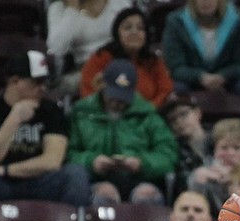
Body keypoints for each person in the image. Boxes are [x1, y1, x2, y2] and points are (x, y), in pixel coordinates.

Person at [0, 51, 92, 208]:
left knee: (76, 173)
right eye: (36, 82)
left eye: (44, 82)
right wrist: (13, 120)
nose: (42, 88)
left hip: (40, 182)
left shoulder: (51, 109)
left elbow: (52, 161)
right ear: (15, 81)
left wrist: (6, 170)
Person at [67, 59, 179, 205]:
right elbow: (68, 153)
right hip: (94, 179)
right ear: (103, 85)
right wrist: (92, 161)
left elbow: (168, 155)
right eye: (112, 96)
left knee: (147, 195)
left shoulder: (147, 115)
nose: (117, 102)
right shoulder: (81, 113)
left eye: (123, 97)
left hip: (140, 179)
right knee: (105, 194)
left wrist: (141, 163)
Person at [80, 6, 174, 107]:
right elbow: (88, 93)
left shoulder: (152, 61)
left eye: (140, 28)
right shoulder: (102, 58)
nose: (134, 32)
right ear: (117, 32)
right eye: (127, 27)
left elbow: (166, 90)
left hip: (150, 115)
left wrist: (148, 110)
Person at [160, 0, 240, 94]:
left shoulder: (237, 20)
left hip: (228, 79)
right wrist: (201, 77)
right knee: (177, 89)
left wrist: (222, 76)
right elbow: (176, 67)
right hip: (189, 80)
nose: (205, 2)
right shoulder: (176, 21)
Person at [47, 0, 131, 95]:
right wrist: (72, 9)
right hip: (84, 68)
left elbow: (132, 35)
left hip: (118, 62)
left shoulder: (119, 3)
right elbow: (57, 48)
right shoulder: (58, 8)